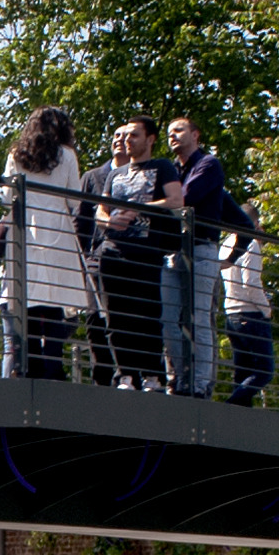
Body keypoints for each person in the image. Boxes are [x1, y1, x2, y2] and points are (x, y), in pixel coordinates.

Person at [0, 107, 102, 381]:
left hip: (25, 234)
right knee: (56, 302)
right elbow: (74, 200)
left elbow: (8, 195)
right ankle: (53, 365)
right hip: (58, 232)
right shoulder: (67, 155)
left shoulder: (16, 155)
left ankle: (28, 367)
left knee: (28, 300)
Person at [163, 116, 247, 397]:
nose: (172, 135)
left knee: (199, 317)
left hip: (200, 250)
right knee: (168, 318)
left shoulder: (208, 165)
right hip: (173, 253)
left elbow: (184, 199)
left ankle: (200, 384)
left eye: (179, 130)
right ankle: (178, 379)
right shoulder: (170, 169)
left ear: (195, 134)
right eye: (168, 132)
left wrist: (230, 258)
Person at [98, 118, 180, 386]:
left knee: (146, 315)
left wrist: (139, 209)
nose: (127, 140)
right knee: (115, 317)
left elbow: (176, 200)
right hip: (113, 251)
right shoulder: (115, 174)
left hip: (146, 252)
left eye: (135, 135)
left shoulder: (163, 166)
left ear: (150, 138)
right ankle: (125, 374)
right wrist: (108, 221)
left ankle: (152, 375)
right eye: (126, 136)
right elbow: (100, 209)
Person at [220, 236, 277, 407]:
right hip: (250, 313)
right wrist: (266, 310)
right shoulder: (250, 243)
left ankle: (238, 415)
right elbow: (251, 282)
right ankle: (231, 406)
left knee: (243, 372)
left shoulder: (226, 242)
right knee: (264, 370)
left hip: (231, 314)